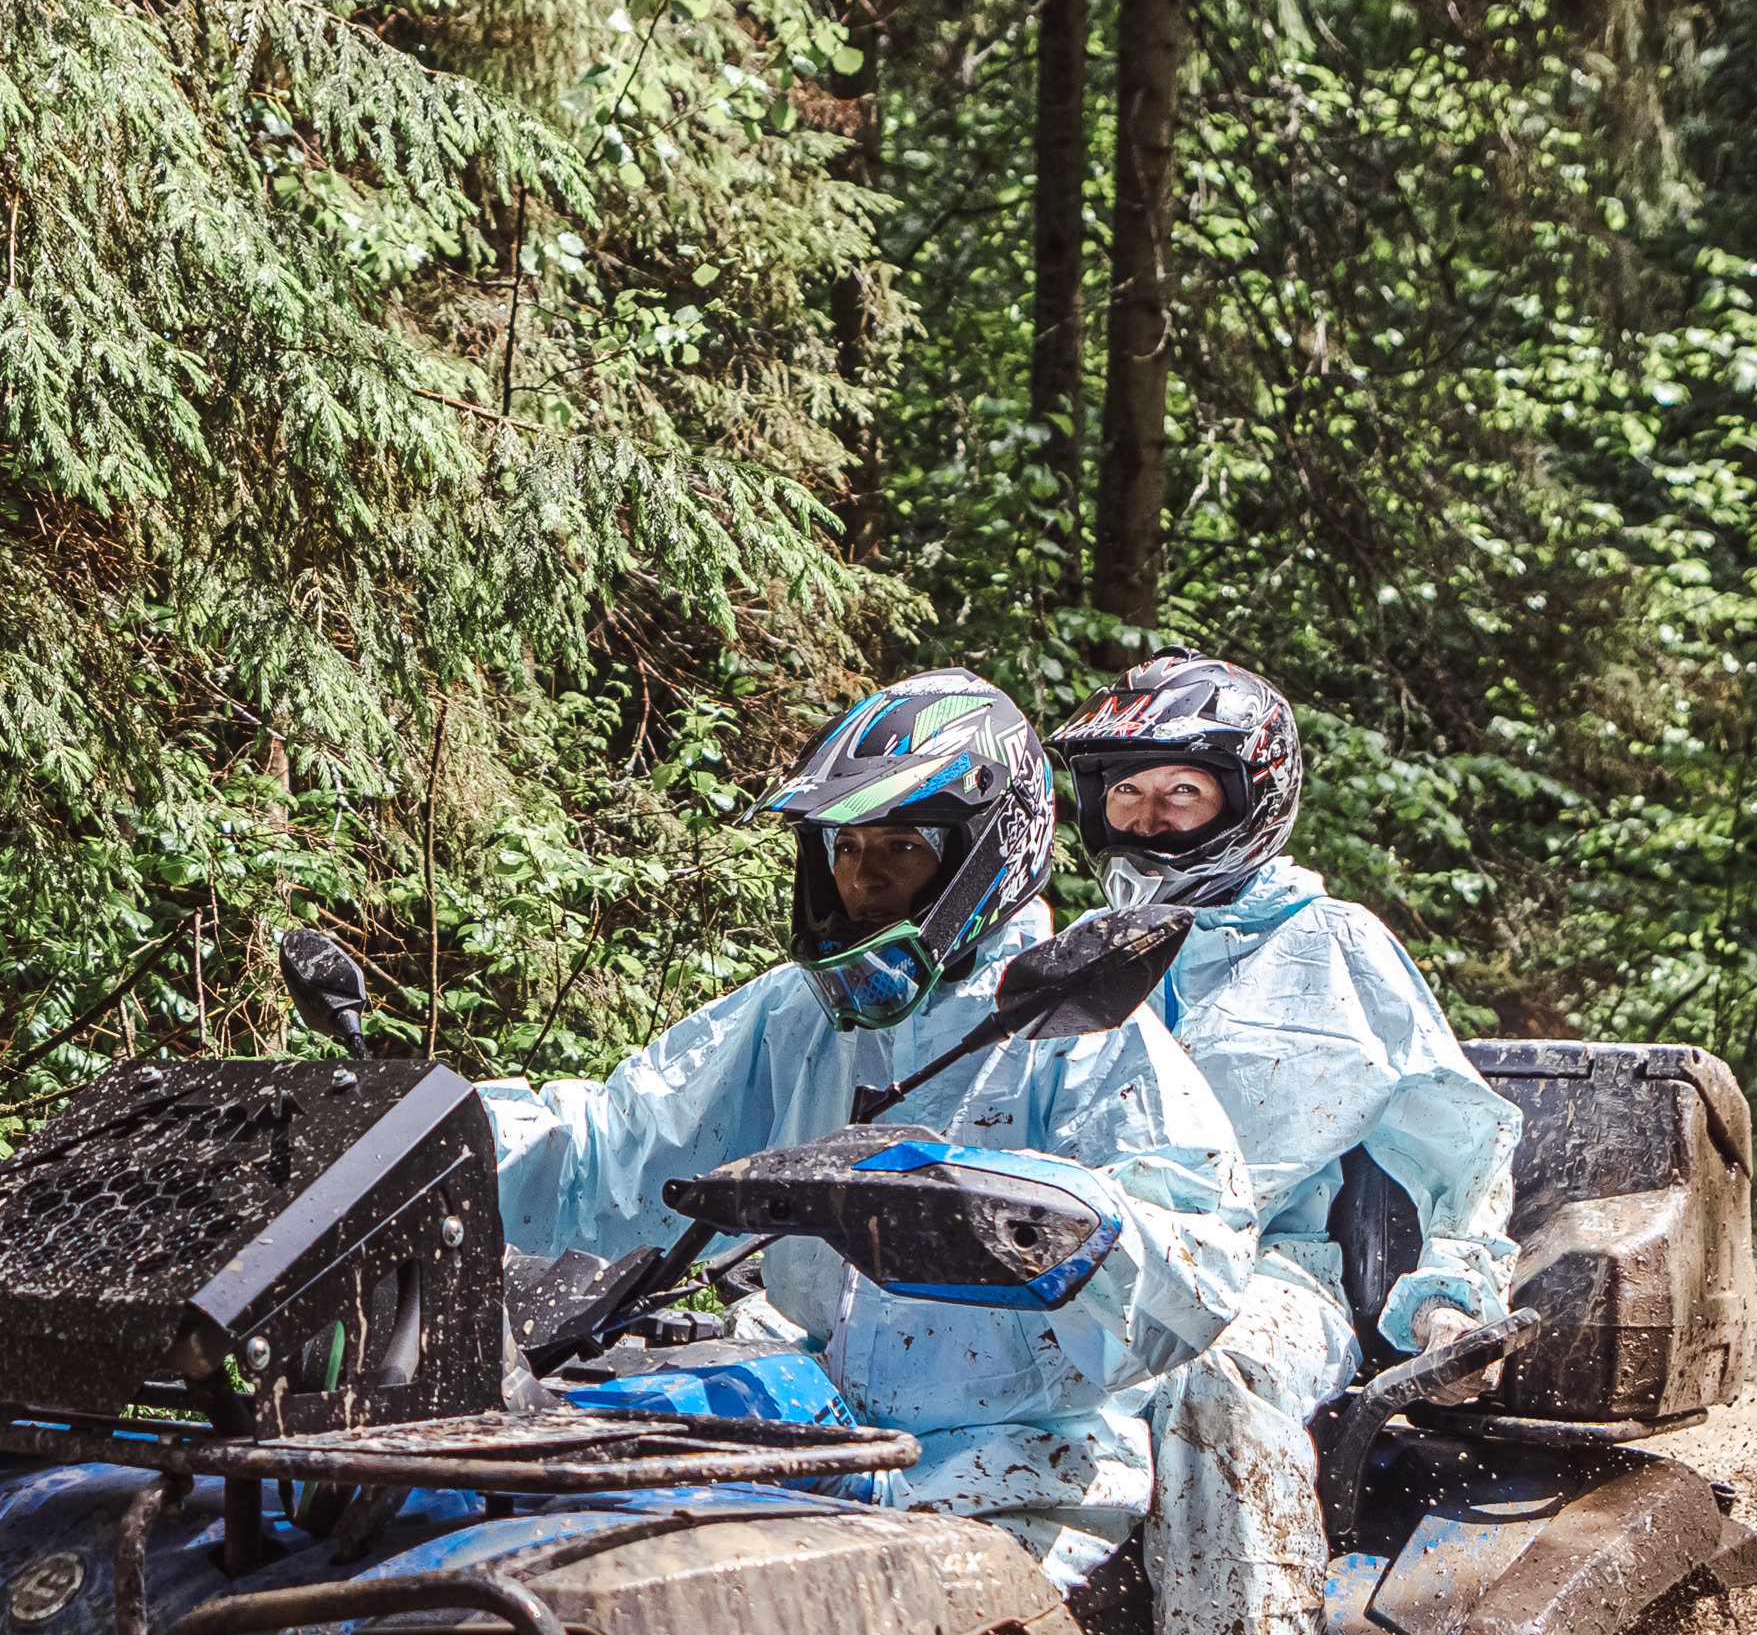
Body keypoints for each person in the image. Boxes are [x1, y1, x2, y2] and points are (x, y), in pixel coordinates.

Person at [480, 671, 1256, 1586]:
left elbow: (1203, 1252)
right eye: (846, 846)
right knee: (561, 1520)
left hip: (1014, 1473)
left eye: (902, 844)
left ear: (986, 848)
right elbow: (612, 1148)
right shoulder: (799, 1015)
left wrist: (1034, 1222)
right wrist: (430, 1146)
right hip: (812, 1422)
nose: (863, 876)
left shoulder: (1074, 1022)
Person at [1046, 653, 1520, 1635]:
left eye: (1178, 795)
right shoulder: (1074, 944)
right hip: (1080, 1270)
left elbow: (1458, 1141)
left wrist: (1451, 1297)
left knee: (1212, 1375)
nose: (1146, 820)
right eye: (1125, 796)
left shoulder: (1332, 944)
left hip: (1270, 1278)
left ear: (1245, 795)